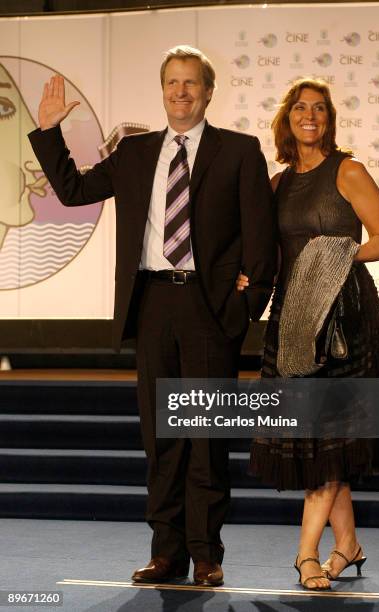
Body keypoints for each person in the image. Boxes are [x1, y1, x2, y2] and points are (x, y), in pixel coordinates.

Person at [28, 46, 276, 587]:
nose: (180, 92)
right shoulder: (137, 152)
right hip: (154, 304)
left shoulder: (239, 150)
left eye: (191, 83)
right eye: (172, 83)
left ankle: (206, 554)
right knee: (163, 437)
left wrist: (245, 305)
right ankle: (167, 552)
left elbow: (261, 238)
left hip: (210, 309)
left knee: (206, 437)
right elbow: (73, 191)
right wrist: (48, 132)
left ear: (208, 92)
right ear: (162, 90)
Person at [237, 78, 379, 591]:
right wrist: (249, 274)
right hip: (295, 320)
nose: (310, 115)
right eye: (301, 108)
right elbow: (269, 252)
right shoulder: (278, 184)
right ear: (287, 119)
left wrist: (332, 256)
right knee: (322, 441)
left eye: (320, 109)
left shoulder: (347, 170)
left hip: (348, 321)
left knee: (329, 436)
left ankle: (305, 554)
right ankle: (347, 545)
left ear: (329, 119)